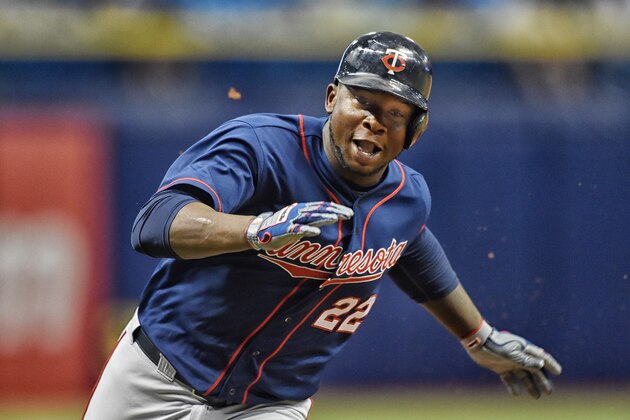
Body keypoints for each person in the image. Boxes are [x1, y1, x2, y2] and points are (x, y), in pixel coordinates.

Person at [84, 31, 561, 419]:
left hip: (271, 403)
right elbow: (155, 223)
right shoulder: (261, 146)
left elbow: (413, 247)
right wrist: (255, 231)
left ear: (416, 130)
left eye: (395, 114)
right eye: (364, 102)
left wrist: (476, 334)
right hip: (156, 377)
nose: (375, 121)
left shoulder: (408, 197)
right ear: (333, 96)